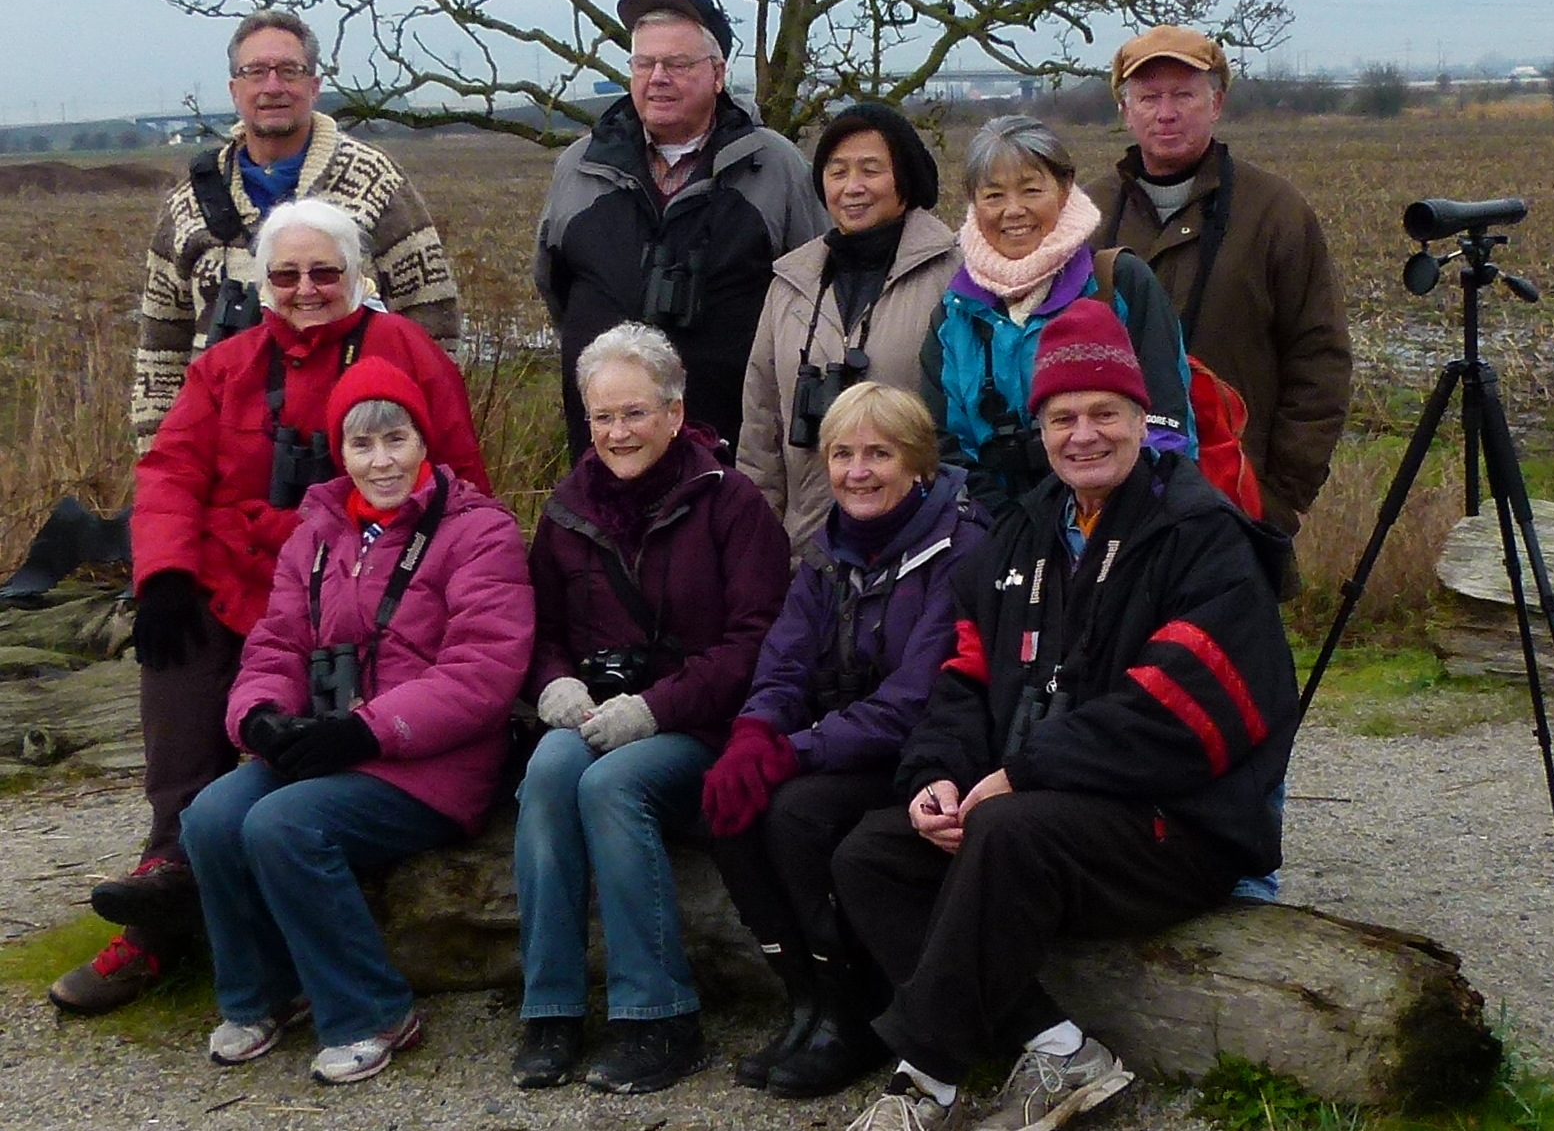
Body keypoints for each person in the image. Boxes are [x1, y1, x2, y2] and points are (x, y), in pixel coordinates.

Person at [832, 298, 1298, 1131]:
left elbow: (1175, 713)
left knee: (1010, 830)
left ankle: (923, 1082)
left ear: (1142, 420)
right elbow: (964, 682)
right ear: (1040, 429)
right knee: (873, 852)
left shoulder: (1201, 535)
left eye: (1104, 414)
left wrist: (1020, 773)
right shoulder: (1023, 534)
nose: (1083, 435)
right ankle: (1056, 1047)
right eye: (1061, 417)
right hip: (1044, 817)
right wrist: (936, 775)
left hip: (1177, 828)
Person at [49, 198, 490, 1016]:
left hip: (357, 577)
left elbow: (460, 478)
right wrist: (164, 574)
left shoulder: (405, 351)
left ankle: (221, 900)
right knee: (177, 647)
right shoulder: (227, 365)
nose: (305, 289)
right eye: (285, 275)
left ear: (356, 274)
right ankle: (166, 879)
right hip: (241, 574)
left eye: (324, 272)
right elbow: (173, 471)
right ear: (262, 283)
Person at [180, 357, 531, 1085]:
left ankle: (372, 1011)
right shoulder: (314, 536)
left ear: (423, 441)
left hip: (430, 763)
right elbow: (277, 645)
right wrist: (261, 719)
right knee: (211, 816)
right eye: (361, 444)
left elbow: (483, 671)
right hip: (329, 745)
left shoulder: (478, 531)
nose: (381, 462)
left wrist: (368, 729)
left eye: (396, 439)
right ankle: (267, 992)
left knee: (284, 824)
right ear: (339, 451)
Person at [513, 321, 789, 1095]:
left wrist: (656, 707)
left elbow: (756, 642)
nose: (617, 432)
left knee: (611, 784)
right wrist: (553, 684)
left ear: (674, 413)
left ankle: (660, 1015)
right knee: (548, 769)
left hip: (701, 723)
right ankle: (552, 1006)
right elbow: (539, 632)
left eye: (634, 413)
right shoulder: (566, 510)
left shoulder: (730, 503)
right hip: (596, 714)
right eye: (602, 416)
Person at [704, 383, 990, 1098]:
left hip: (925, 755)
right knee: (727, 802)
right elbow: (785, 661)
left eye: (878, 454)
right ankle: (805, 996)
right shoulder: (828, 547)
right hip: (839, 742)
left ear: (916, 463)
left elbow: (916, 696)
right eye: (841, 454)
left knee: (797, 812)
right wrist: (754, 733)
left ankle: (853, 1008)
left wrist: (792, 752)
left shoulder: (959, 548)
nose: (857, 472)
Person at [133, 8, 460, 450]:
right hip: (222, 454)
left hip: (358, 455)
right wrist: (158, 457)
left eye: (290, 71)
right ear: (234, 90)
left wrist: (414, 450)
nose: (273, 86)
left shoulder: (377, 183)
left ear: (314, 86)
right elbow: (160, 348)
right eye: (255, 72)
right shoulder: (188, 203)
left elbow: (432, 320)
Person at [533, 0, 829, 457]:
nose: (657, 78)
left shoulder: (775, 167)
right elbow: (556, 288)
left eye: (677, 64)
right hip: (606, 457)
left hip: (736, 455)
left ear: (718, 74)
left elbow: (816, 302)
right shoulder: (579, 166)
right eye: (644, 64)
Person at [1092, 24, 1353, 539]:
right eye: (1149, 98)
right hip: (1106, 499)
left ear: (1216, 103)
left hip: (1236, 500)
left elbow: (1319, 358)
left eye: (1184, 95)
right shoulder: (1087, 214)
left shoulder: (1274, 211)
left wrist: (1281, 497)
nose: (1166, 113)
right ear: (1125, 110)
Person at [922, 114, 1192, 519]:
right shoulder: (955, 312)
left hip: (1121, 523)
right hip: (993, 530)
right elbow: (942, 448)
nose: (1014, 211)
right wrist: (1010, 529)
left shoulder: (1118, 284)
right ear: (973, 204)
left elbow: (1166, 423)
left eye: (1031, 190)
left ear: (1065, 190)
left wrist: (1111, 522)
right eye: (993, 195)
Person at [738, 103, 960, 563]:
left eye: (871, 170)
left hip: (921, 547)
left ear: (905, 179)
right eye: (837, 172)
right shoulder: (790, 283)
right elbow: (761, 427)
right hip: (807, 549)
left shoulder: (953, 275)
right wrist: (757, 544)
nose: (852, 187)